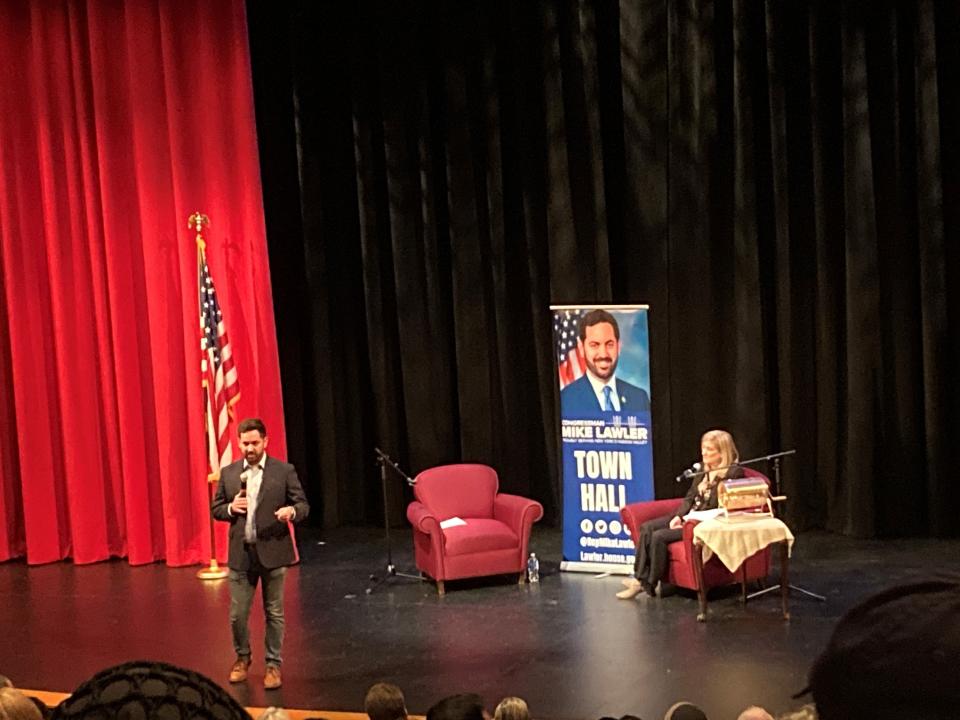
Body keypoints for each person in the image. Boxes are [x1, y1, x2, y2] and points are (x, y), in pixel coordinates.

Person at [211, 417, 309, 690]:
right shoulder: (230, 473)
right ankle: (242, 658)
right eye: (245, 443)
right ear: (239, 443)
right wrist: (231, 508)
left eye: (255, 443)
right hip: (242, 556)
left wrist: (292, 512)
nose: (249, 448)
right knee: (237, 615)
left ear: (265, 442)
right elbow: (216, 508)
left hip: (273, 553)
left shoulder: (283, 471)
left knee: (274, 612)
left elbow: (302, 505)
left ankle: (273, 665)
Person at [617, 429, 743, 599]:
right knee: (646, 528)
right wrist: (679, 516)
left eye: (709, 449)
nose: (703, 453)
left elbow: (719, 505)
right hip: (690, 516)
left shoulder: (733, 473)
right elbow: (689, 497)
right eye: (703, 448)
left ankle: (647, 583)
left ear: (722, 453)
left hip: (705, 521)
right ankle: (639, 576)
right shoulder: (703, 471)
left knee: (659, 537)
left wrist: (708, 490)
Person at [560, 310, 650, 414]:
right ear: (581, 348)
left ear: (619, 346)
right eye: (594, 345)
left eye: (609, 344)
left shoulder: (639, 398)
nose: (603, 354)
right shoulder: (566, 399)